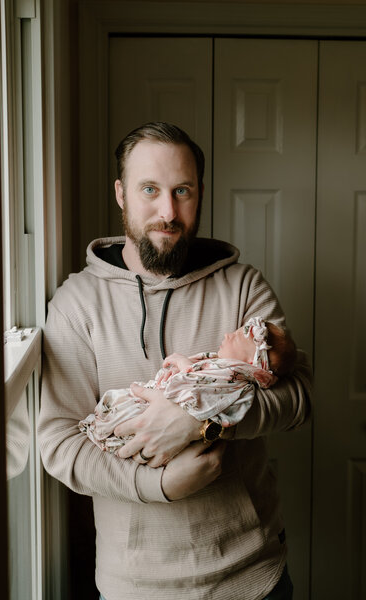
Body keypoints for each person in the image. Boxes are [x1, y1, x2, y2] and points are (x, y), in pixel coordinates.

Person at [38, 122, 311, 600]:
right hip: (135, 587)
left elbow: (297, 397)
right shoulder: (76, 304)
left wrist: (201, 421)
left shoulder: (243, 286)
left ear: (200, 192)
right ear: (121, 194)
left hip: (254, 577)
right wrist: (159, 485)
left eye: (182, 191)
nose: (168, 212)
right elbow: (60, 443)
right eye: (150, 190)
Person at [79, 317, 297, 455]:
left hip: (242, 516)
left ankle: (104, 429)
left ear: (251, 363)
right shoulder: (225, 369)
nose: (227, 335)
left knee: (124, 411)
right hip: (124, 517)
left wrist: (184, 365)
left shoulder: (232, 377)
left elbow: (197, 388)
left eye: (237, 337)